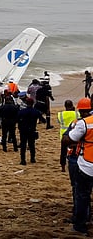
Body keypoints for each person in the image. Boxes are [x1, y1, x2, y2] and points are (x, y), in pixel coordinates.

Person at [63, 97, 93, 235]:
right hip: (84, 161)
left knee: (81, 194)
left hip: (86, 164)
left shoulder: (83, 123)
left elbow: (68, 139)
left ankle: (80, 224)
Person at [17, 97, 42, 165]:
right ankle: (32, 158)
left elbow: (17, 119)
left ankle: (23, 160)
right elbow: (42, 119)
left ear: (26, 103)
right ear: (33, 103)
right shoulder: (36, 111)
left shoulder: (21, 112)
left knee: (23, 145)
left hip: (23, 130)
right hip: (32, 129)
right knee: (32, 145)